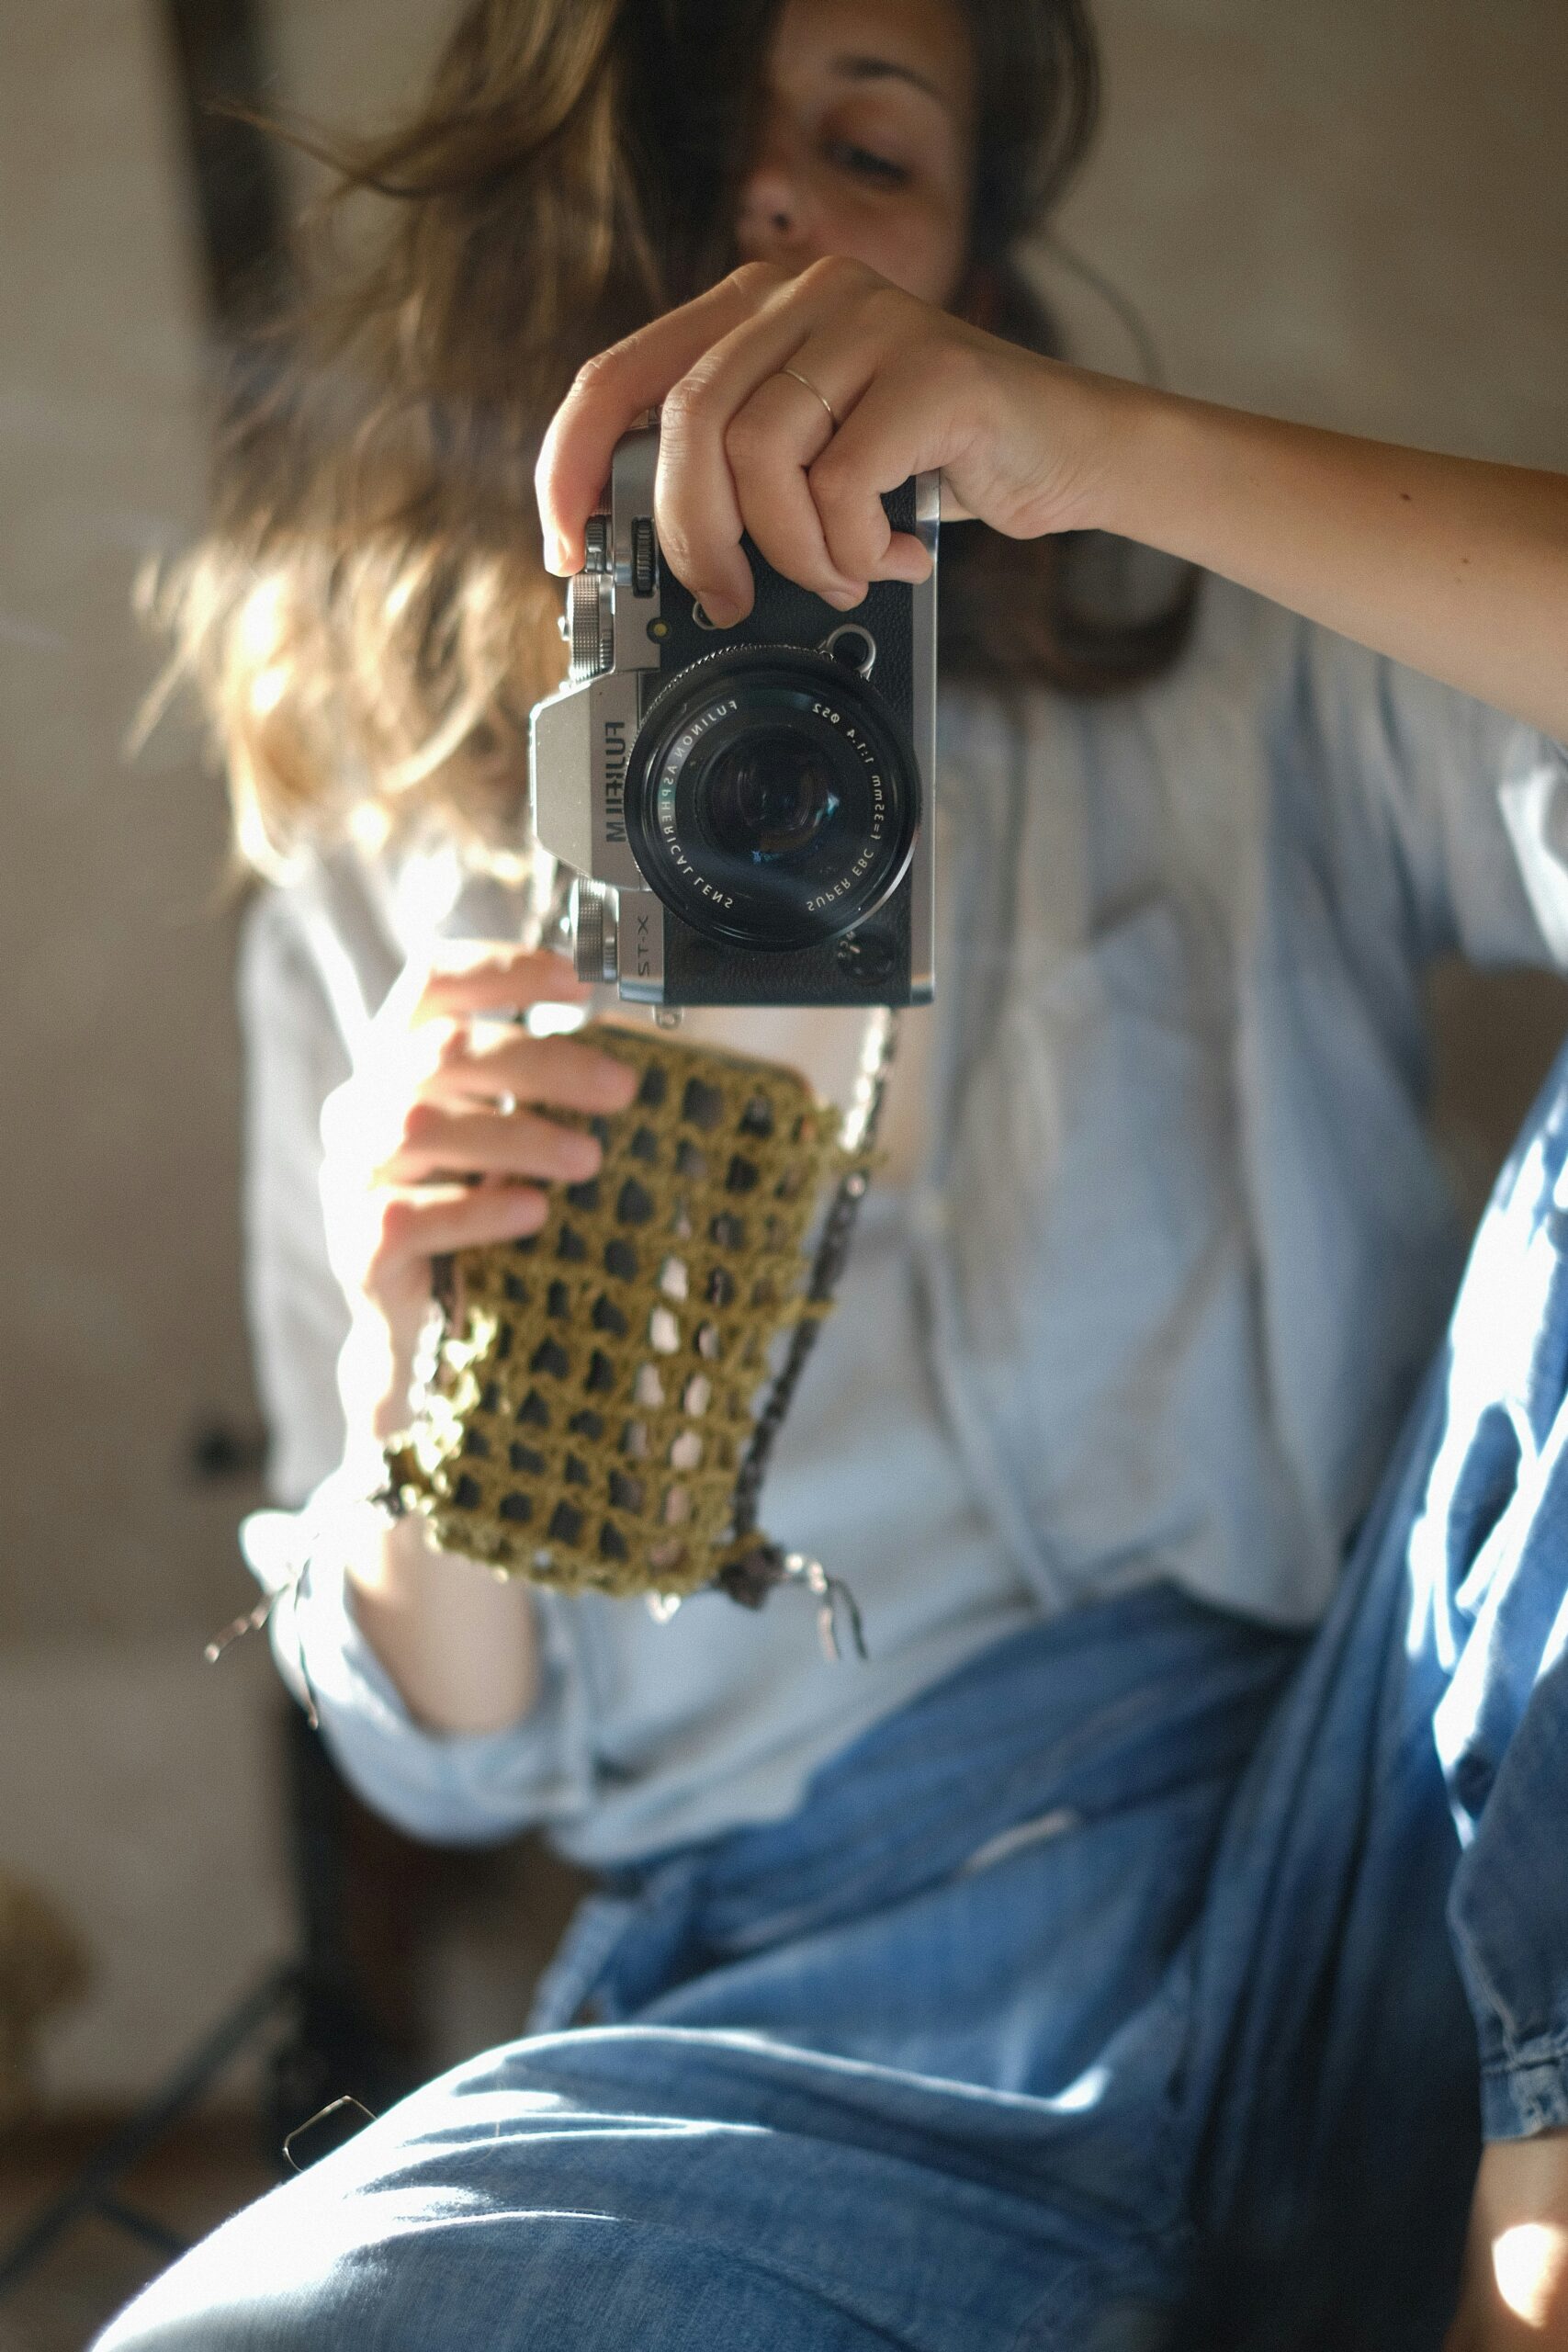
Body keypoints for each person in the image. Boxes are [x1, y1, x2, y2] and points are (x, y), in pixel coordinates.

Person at [101, 0, 1568, 2343]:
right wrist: (412, 1383)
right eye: (702, 129)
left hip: (1380, 1846)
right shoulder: (386, 881)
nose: (780, 198)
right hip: (802, 2016)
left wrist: (1108, 452)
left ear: (969, 246)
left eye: (872, 144)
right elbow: (450, 1765)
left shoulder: (1241, 679)